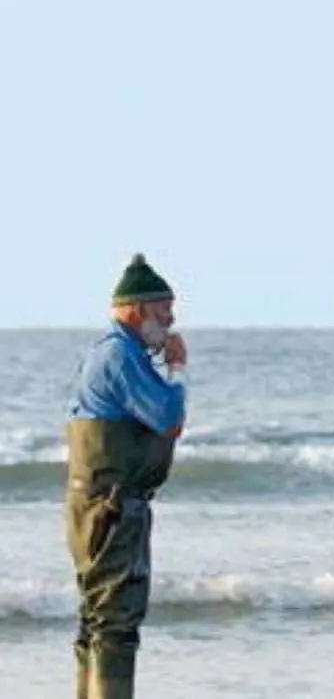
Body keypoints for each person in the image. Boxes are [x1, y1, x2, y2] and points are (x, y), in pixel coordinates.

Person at [67, 253, 187, 699]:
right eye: (164, 311)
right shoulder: (121, 354)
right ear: (136, 310)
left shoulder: (111, 352)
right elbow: (168, 417)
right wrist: (176, 368)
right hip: (114, 506)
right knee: (116, 622)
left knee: (97, 619)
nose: (171, 321)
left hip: (94, 503)